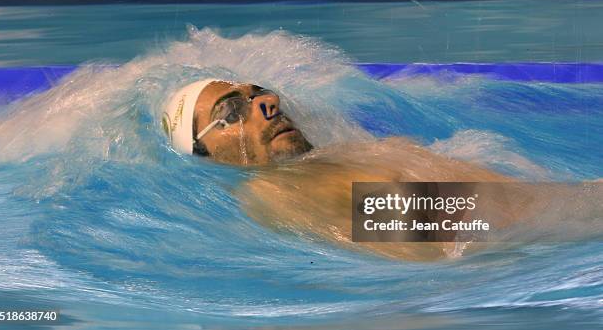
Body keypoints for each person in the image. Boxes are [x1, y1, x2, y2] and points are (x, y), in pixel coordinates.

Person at [162, 79, 600, 261]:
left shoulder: (357, 154)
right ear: (203, 151)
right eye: (233, 109)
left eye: (261, 93)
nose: (266, 104)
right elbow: (441, 260)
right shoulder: (278, 192)